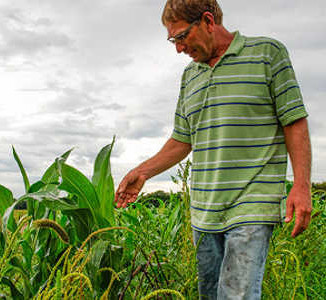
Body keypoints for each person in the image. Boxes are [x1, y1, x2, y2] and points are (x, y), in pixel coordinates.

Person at [115, 1, 312, 299]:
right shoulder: (189, 77)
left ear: (208, 21)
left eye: (181, 37)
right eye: (173, 40)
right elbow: (182, 140)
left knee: (236, 295)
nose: (178, 48)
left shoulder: (267, 54)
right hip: (204, 211)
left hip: (252, 203)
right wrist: (142, 172)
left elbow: (294, 121)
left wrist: (301, 185)